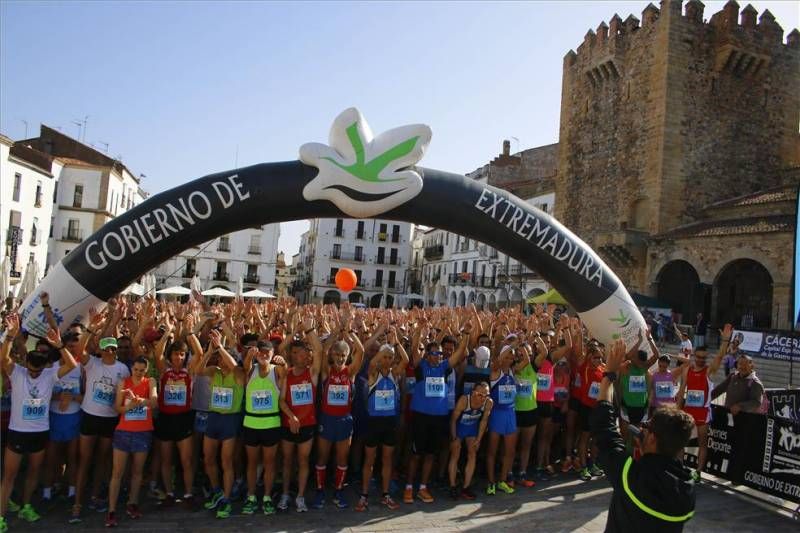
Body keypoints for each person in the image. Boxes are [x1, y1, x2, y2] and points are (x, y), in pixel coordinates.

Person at [591, 338, 696, 532]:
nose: (643, 429)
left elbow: (604, 429)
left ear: (653, 439)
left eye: (647, 427)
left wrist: (609, 376)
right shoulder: (686, 487)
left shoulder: (632, 476)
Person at [0, 318, 77, 531]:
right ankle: (1, 517)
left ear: (44, 366)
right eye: (31, 371)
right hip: (17, 432)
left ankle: (26, 506)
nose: (34, 374)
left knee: (34, 472)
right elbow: (2, 358)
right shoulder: (18, 372)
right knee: (9, 477)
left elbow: (72, 365)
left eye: (37, 371)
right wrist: (10, 334)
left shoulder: (49, 374)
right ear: (27, 365)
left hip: (40, 432)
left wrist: (60, 344)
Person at [71, 326, 131, 523]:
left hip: (110, 419)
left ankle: (95, 496)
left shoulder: (122, 368)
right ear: (101, 350)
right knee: (84, 460)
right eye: (107, 348)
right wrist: (90, 329)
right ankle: (77, 504)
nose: (110, 352)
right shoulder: (92, 363)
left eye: (113, 348)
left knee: (102, 460)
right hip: (90, 416)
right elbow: (79, 351)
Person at [404, 332, 468, 504]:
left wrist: (467, 333)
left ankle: (423, 487)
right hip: (421, 417)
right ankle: (409, 487)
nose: (438, 356)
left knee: (431, 455)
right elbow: (415, 351)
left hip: (438, 418)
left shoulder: (445, 367)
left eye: (440, 353)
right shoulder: (421, 366)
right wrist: (420, 329)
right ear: (427, 354)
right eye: (434, 353)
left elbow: (461, 350)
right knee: (416, 454)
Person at [196, 329, 245, 519]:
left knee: (226, 461)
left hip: (230, 420)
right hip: (214, 417)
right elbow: (199, 370)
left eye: (223, 358)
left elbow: (234, 365)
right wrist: (210, 351)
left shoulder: (238, 374)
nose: (220, 362)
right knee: (208, 458)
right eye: (219, 359)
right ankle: (217, 491)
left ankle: (226, 498)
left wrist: (221, 347)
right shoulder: (214, 372)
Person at [313, 326, 364, 510]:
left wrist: (351, 332)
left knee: (342, 459)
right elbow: (324, 349)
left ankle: (338, 490)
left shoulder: (350, 373)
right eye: (337, 355)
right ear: (333, 355)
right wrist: (336, 331)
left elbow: (362, 351)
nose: (340, 358)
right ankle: (319, 491)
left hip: (344, 420)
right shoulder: (327, 371)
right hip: (327, 419)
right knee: (322, 457)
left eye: (344, 355)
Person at [356, 335, 408, 511]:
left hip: (389, 423)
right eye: (384, 356)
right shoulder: (373, 373)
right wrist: (384, 350)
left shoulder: (395, 375)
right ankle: (364, 495)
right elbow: (372, 361)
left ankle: (386, 495)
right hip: (373, 423)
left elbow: (406, 360)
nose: (387, 360)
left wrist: (396, 342)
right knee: (369, 460)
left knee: (387, 460)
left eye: (390, 357)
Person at [105, 356, 158, 527]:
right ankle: (111, 510)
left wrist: (142, 401)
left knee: (137, 472)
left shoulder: (150, 382)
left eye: (142, 370)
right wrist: (128, 407)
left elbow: (155, 402)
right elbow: (117, 407)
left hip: (142, 433)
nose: (138, 373)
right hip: (123, 432)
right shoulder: (123, 383)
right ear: (131, 368)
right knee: (117, 473)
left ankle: (132, 504)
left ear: (146, 370)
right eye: (136, 369)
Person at [278, 318, 322, 512]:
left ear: (307, 356)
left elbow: (319, 350)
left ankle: (301, 496)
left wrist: (309, 329)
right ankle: (286, 494)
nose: (297, 356)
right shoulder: (286, 373)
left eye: (301, 353)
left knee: (303, 461)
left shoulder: (311, 373)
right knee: (287, 461)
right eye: (294, 353)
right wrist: (295, 329)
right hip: (289, 424)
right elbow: (281, 400)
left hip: (307, 425)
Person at [153, 319, 198, 508]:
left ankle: (188, 494)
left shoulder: (190, 372)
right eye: (175, 354)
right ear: (170, 356)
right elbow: (157, 353)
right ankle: (169, 493)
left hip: (183, 419)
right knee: (166, 459)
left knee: (186, 460)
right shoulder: (165, 370)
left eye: (182, 354)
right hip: (165, 418)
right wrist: (167, 332)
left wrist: (190, 332)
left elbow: (200, 353)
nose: (178, 358)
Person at [676, 326, 727, 481]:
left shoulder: (708, 371)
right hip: (688, 410)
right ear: (694, 355)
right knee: (680, 441)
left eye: (703, 357)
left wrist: (725, 341)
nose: (700, 359)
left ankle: (698, 471)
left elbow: (719, 358)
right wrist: (678, 410)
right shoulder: (687, 370)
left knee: (702, 443)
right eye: (698, 356)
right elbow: (681, 391)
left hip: (702, 413)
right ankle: (679, 468)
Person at [240, 343, 285, 516]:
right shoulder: (251, 369)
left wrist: (283, 362)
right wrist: (249, 356)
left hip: (271, 424)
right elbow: (245, 368)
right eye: (262, 352)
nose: (265, 355)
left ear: (273, 353)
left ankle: (266, 497)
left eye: (268, 352)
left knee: (269, 464)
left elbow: (286, 373)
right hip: (251, 423)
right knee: (252, 463)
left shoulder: (277, 370)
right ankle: (251, 497)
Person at [485, 343, 524, 495]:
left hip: (510, 414)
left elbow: (526, 360)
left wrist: (521, 343)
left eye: (511, 356)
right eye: (506, 355)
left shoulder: (513, 371)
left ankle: (502, 480)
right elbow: (497, 360)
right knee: (492, 451)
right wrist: (512, 344)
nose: (509, 358)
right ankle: (491, 482)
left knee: (510, 451)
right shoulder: (496, 371)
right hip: (496, 414)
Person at [448, 382, 492, 500]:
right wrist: (454, 438)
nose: (483, 398)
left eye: (486, 395)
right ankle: (452, 486)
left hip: (472, 430)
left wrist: (478, 439)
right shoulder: (464, 400)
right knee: (455, 454)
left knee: (472, 454)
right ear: (473, 393)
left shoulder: (489, 403)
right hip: (459, 429)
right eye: (480, 395)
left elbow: (484, 421)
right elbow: (453, 419)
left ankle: (466, 487)